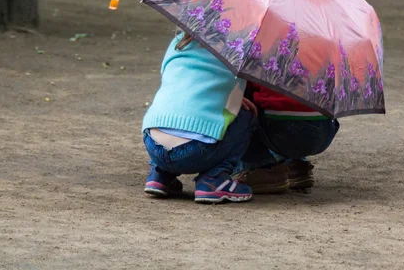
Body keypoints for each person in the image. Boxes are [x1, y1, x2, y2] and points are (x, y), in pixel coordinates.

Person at [142, 32, 258, 204]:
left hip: (153, 143)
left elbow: (168, 75)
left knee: (173, 106)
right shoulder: (238, 48)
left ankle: (160, 174)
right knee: (247, 114)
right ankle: (214, 178)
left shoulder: (179, 41)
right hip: (197, 149)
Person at [234, 83, 340, 193]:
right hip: (325, 129)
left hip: (283, 127)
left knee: (239, 89)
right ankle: (296, 165)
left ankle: (262, 164)